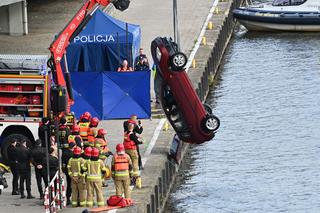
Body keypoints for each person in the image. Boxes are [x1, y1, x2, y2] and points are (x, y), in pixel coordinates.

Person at [123, 123, 143, 187]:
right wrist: (142, 142)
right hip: (132, 150)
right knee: (135, 163)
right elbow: (136, 141)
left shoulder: (126, 133)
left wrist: (137, 136)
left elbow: (132, 137)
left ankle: (129, 176)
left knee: (129, 163)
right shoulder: (131, 134)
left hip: (126, 150)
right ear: (132, 128)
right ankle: (135, 177)